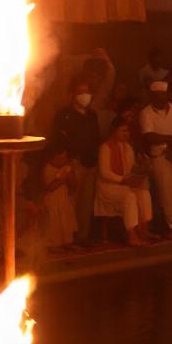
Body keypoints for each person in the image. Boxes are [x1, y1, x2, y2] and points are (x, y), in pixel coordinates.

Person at [139, 81, 172, 237]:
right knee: (167, 191)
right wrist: (170, 140)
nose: (160, 97)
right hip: (161, 156)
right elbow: (149, 136)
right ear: (152, 96)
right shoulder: (146, 113)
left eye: (163, 94)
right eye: (157, 95)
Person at [51, 80, 102, 246]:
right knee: (71, 201)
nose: (84, 96)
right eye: (80, 92)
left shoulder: (92, 115)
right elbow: (60, 139)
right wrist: (70, 160)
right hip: (75, 162)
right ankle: (69, 237)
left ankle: (82, 236)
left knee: (86, 203)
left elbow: (96, 137)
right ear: (72, 95)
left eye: (87, 92)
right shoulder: (64, 115)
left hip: (91, 162)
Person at [95, 118, 152, 247]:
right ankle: (131, 234)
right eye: (123, 131)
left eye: (127, 131)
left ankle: (143, 229)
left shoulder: (128, 147)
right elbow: (104, 173)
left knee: (144, 194)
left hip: (124, 184)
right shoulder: (105, 148)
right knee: (129, 196)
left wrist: (142, 169)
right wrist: (122, 180)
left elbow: (130, 168)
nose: (127, 134)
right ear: (114, 131)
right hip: (108, 186)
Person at [39, 142, 78, 251]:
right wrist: (62, 179)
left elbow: (74, 185)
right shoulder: (47, 168)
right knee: (54, 222)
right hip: (52, 200)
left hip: (64, 199)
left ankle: (66, 242)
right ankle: (53, 244)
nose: (63, 160)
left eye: (64, 158)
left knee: (65, 221)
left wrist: (70, 177)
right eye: (60, 158)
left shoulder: (67, 167)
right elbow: (49, 187)